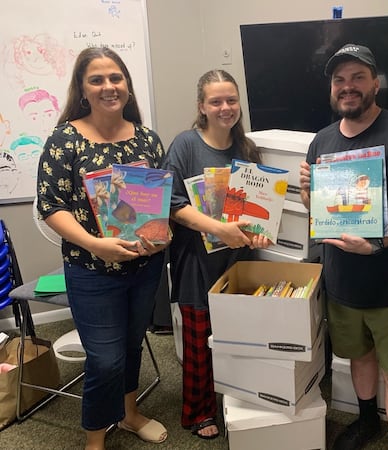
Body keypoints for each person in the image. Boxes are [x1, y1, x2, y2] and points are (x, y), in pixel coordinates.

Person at [299, 44, 388, 450]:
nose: (348, 87)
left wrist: (379, 242)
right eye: (339, 80)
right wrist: (309, 194)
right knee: (358, 358)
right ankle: (367, 422)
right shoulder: (321, 142)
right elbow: (319, 212)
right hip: (342, 281)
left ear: (375, 83)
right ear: (332, 88)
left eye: (358, 77)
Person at [36, 46, 169, 450]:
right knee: (104, 360)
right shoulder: (65, 139)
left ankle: (129, 415)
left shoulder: (146, 138)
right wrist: (97, 245)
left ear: (127, 84)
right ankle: (95, 441)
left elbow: (159, 201)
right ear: (82, 88)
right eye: (97, 79)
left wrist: (161, 233)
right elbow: (50, 207)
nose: (108, 87)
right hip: (91, 270)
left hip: (144, 267)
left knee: (131, 347)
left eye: (116, 78)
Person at [162, 69, 269, 440]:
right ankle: (198, 412)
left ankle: (237, 401)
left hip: (237, 261)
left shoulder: (246, 149)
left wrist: (257, 234)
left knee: (238, 337)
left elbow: (254, 208)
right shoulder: (185, 145)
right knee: (198, 341)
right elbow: (172, 204)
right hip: (197, 262)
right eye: (216, 101)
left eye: (231, 100)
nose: (225, 108)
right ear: (201, 107)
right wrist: (217, 227)